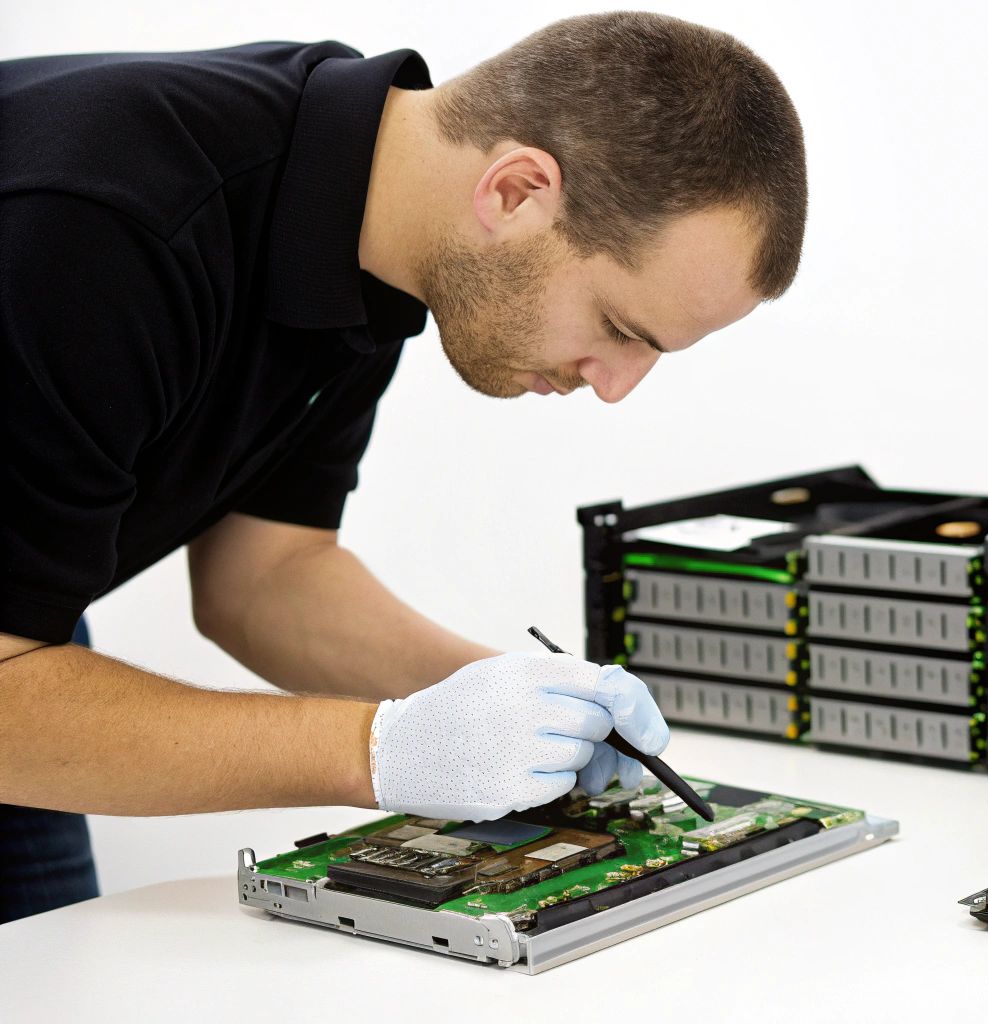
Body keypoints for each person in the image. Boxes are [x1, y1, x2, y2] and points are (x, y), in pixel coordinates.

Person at [0, 11, 808, 923]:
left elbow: (264, 580)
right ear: (514, 192)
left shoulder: (361, 239)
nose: (617, 386)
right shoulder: (100, 229)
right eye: (621, 329)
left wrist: (522, 703)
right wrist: (376, 750)